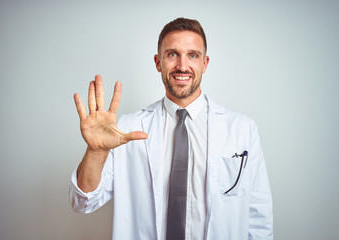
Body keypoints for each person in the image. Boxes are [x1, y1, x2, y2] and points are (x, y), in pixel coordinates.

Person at [69, 18, 273, 240]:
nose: (182, 66)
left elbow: (259, 218)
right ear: (158, 62)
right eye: (172, 54)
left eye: (193, 55)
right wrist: (96, 152)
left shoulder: (242, 129)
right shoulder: (125, 130)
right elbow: (83, 203)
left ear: (205, 63)